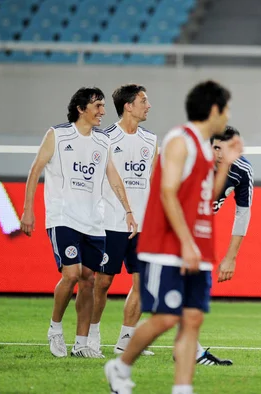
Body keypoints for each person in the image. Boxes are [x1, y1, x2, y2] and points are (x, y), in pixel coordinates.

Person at [104, 80, 243, 394]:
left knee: (192, 319)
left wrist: (228, 165)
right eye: (226, 108)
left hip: (198, 246)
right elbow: (167, 194)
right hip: (169, 247)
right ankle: (120, 367)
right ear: (213, 109)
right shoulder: (180, 141)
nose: (228, 115)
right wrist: (186, 243)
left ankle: (183, 388)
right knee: (166, 318)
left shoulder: (205, 148)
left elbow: (204, 198)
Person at [20, 87, 137, 358]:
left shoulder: (102, 142)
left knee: (88, 280)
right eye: (97, 106)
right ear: (81, 109)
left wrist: (128, 210)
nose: (103, 112)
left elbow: (113, 177)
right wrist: (28, 210)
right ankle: (55, 328)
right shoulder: (58, 136)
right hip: (63, 218)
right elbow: (35, 169)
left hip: (94, 222)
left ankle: (82, 344)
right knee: (71, 275)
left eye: (103, 106)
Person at [87, 84, 158, 356]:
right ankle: (90, 335)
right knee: (102, 282)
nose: (148, 105)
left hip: (143, 226)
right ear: (128, 105)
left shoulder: (151, 140)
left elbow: (152, 181)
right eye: (143, 100)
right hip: (111, 223)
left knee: (142, 283)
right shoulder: (104, 138)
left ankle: (126, 341)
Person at [191, 125, 254, 366]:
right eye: (216, 147)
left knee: (188, 295)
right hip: (173, 231)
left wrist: (231, 257)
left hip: (197, 234)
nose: (219, 153)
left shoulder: (241, 169)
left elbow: (243, 214)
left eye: (226, 148)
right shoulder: (192, 163)